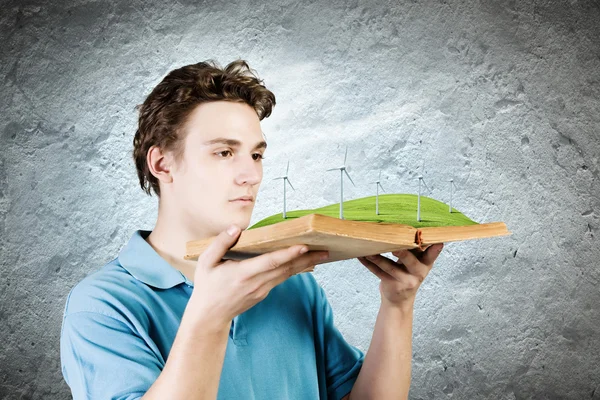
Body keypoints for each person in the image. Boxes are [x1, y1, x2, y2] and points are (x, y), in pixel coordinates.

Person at [60, 59, 444, 400]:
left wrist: (398, 304)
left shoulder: (290, 283)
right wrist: (210, 317)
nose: (252, 175)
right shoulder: (102, 306)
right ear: (162, 165)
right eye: (224, 152)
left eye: (256, 154)